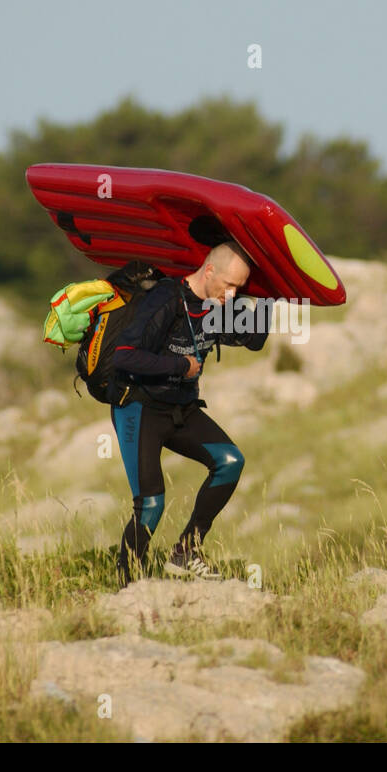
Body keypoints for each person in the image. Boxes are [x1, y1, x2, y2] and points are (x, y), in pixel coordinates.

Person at [108, 241, 268, 585]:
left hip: (181, 409)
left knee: (230, 461)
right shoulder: (165, 300)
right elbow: (123, 355)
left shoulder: (219, 305)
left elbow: (254, 340)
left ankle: (185, 551)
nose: (232, 294)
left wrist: (271, 296)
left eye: (239, 288)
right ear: (209, 270)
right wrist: (180, 365)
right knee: (151, 504)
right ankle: (126, 586)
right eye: (228, 284)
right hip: (139, 407)